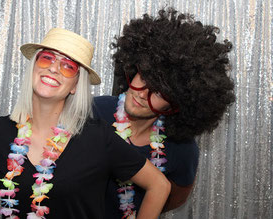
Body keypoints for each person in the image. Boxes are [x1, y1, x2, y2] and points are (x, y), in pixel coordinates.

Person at [0, 28, 171, 219]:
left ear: (75, 86)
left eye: (68, 66)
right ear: (34, 66)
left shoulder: (98, 137)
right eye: (47, 58)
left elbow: (160, 185)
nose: (53, 68)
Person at [93, 7, 235, 218]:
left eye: (158, 92)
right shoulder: (93, 112)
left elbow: (175, 198)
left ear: (176, 104)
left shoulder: (182, 149)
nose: (142, 94)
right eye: (144, 78)